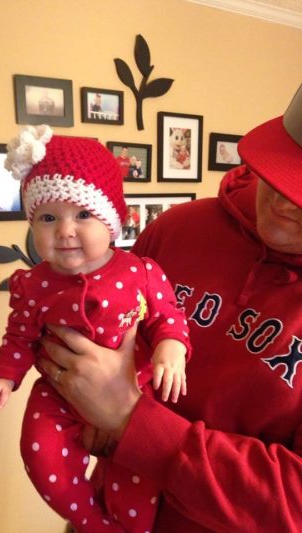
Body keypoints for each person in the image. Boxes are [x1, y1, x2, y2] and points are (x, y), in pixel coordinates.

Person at [39, 82, 302, 532]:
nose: (279, 200)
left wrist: (130, 421)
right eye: (278, 170)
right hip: (105, 513)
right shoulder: (179, 227)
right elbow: (98, 329)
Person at [0, 126, 191, 533]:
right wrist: (3, 378)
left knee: (137, 471)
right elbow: (19, 338)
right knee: (40, 457)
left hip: (134, 391)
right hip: (57, 395)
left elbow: (168, 315)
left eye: (83, 215)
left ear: (112, 221)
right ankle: (92, 522)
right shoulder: (32, 284)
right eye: (48, 217)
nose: (64, 230)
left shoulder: (140, 271)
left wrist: (171, 347)